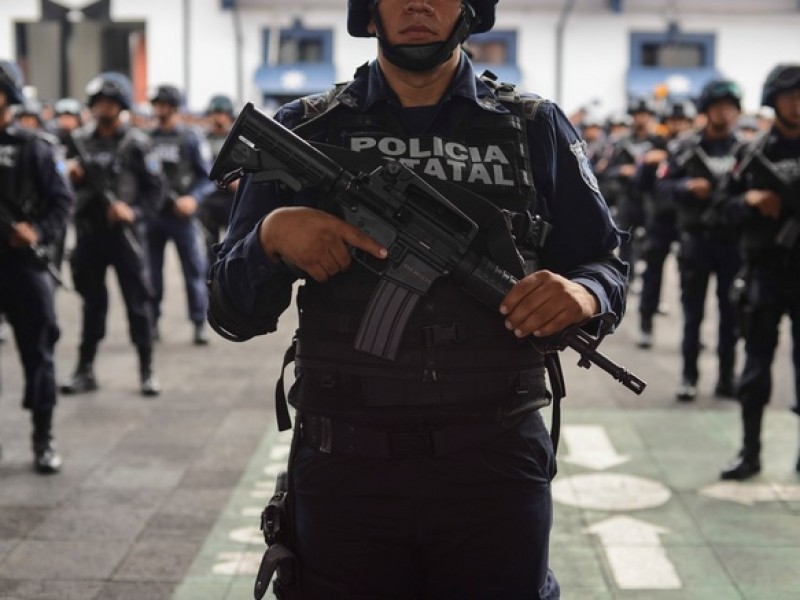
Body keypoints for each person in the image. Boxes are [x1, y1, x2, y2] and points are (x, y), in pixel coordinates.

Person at [207, 1, 627, 598]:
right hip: (344, 464)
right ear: (370, 10)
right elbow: (230, 311)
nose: (419, 3)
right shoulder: (307, 128)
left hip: (494, 463)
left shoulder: (533, 126)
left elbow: (604, 259)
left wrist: (583, 294)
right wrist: (272, 239)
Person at [59, 72, 164, 397]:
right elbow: (59, 186)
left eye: (110, 103)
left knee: (138, 305)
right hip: (90, 235)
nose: (103, 108)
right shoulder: (79, 140)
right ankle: (84, 369)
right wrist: (71, 175)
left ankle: (146, 370)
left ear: (120, 106)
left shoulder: (137, 143)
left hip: (125, 235)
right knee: (92, 306)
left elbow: (155, 189)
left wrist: (133, 212)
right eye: (98, 103)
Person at [719, 64, 800, 480]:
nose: (798, 105)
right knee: (755, 369)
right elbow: (720, 209)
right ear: (774, 100)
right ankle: (750, 452)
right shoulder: (752, 154)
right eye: (791, 97)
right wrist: (750, 200)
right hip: (765, 273)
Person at [0, 59, 73, 473]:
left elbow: (61, 201)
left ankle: (42, 437)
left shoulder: (34, 146)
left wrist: (37, 231)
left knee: (39, 353)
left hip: (23, 265)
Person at [656, 80, 744, 401]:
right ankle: (689, 376)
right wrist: (686, 187)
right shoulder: (685, 149)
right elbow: (661, 189)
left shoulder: (745, 151)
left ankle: (726, 378)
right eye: (718, 105)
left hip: (733, 244)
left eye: (730, 106)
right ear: (706, 110)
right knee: (692, 314)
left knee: (731, 315)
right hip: (695, 242)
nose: (724, 112)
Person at [146, 84, 215, 345]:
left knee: (193, 270)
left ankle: (199, 322)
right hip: (154, 215)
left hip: (181, 216)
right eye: (156, 104)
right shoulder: (145, 138)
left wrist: (192, 199)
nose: (158, 108)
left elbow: (207, 177)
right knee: (151, 273)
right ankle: (151, 321)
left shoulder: (190, 138)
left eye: (163, 104)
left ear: (174, 107)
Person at [634, 99, 695, 348]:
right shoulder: (654, 146)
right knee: (652, 274)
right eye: (674, 121)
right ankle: (646, 324)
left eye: (682, 122)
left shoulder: (695, 148)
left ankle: (690, 334)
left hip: (686, 221)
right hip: (659, 220)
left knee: (689, 278)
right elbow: (639, 184)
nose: (678, 126)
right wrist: (648, 164)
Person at [602, 97, 668, 295]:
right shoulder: (621, 142)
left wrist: (657, 162)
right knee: (626, 242)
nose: (642, 119)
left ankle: (647, 284)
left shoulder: (658, 141)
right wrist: (623, 170)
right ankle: (626, 280)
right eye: (638, 115)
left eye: (645, 115)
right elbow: (607, 171)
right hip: (627, 198)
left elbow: (670, 168)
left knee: (650, 244)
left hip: (649, 198)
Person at [198, 94, 239, 267]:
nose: (218, 117)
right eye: (215, 112)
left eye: (222, 113)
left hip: (233, 200)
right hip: (210, 200)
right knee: (209, 251)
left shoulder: (238, 139)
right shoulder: (202, 140)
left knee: (235, 248)